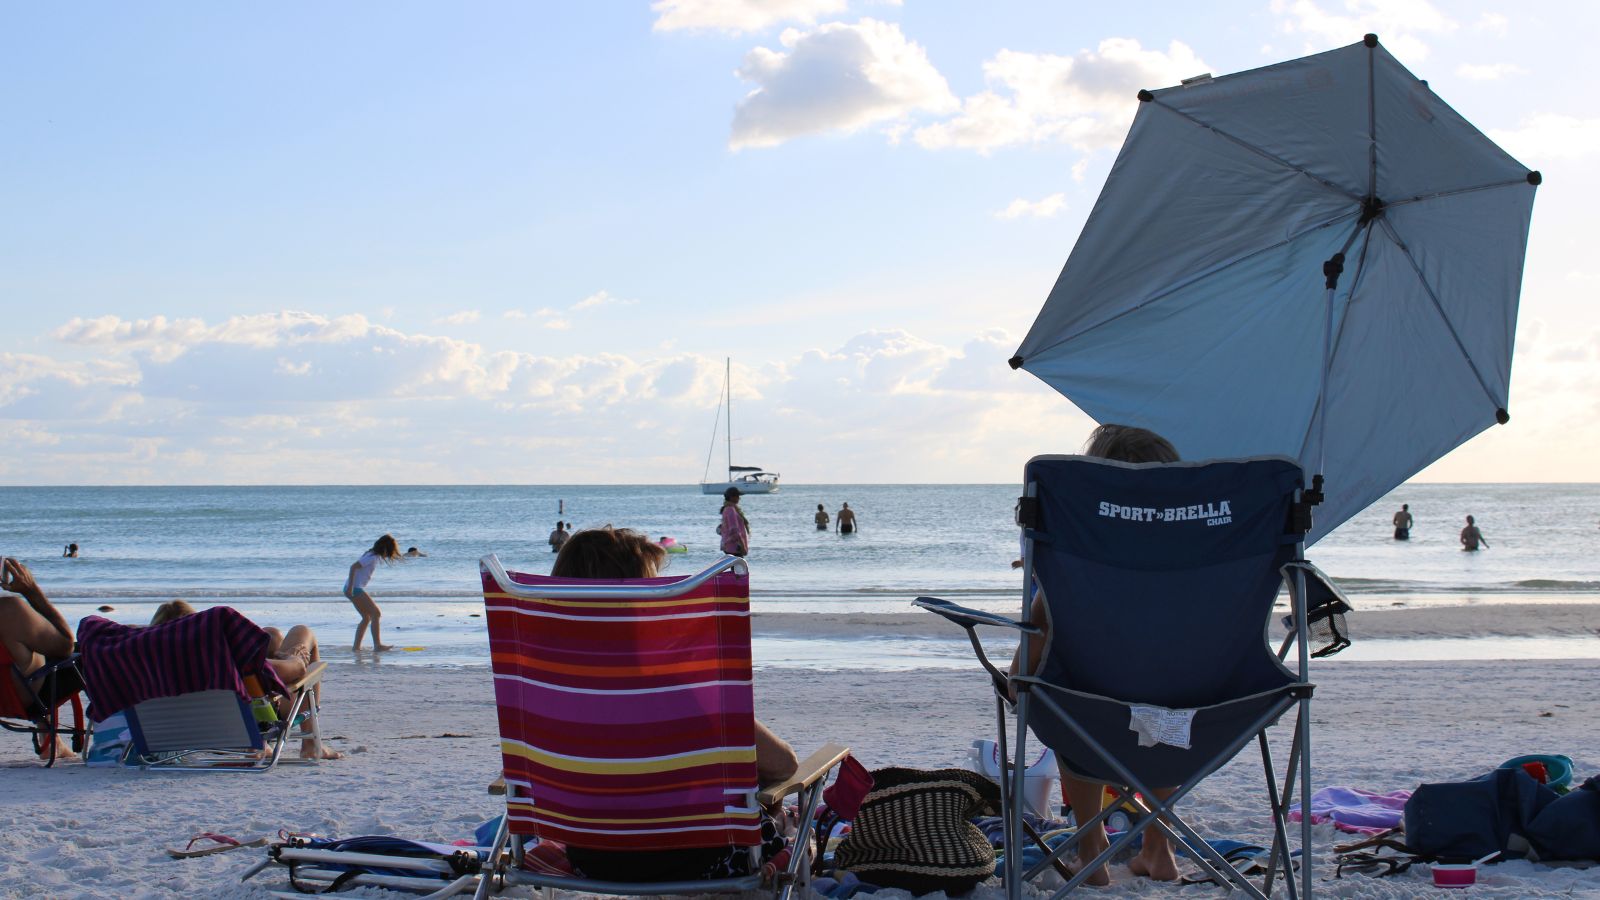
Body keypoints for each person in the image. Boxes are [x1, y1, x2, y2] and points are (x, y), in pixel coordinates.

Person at [551, 527, 796, 882]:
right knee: (774, 804)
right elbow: (784, 765)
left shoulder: (548, 684)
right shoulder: (681, 684)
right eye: (655, 586)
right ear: (643, 599)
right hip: (701, 861)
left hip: (591, 860)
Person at [1009, 423, 1183, 885]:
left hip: (1089, 716)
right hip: (1195, 719)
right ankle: (1158, 847)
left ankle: (1091, 849)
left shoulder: (1075, 551)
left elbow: (1043, 627)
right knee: (1170, 711)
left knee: (1061, 699)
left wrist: (1016, 674)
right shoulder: (1197, 558)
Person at [148, 600, 343, 759]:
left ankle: (270, 744)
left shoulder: (150, 669)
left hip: (200, 730)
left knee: (271, 635)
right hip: (252, 724)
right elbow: (298, 669)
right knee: (303, 633)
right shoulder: (226, 661)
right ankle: (310, 744)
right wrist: (292, 657)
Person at [0, 559, 78, 760]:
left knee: (33, 645)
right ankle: (112, 740)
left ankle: (50, 739)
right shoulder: (9, 612)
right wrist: (31, 590)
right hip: (21, 699)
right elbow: (65, 646)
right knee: (86, 652)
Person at [345, 534, 403, 652]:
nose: (389, 555)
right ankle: (377, 645)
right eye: (390, 551)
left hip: (352, 588)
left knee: (366, 617)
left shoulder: (371, 555)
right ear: (385, 548)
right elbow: (353, 567)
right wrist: (351, 587)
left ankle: (356, 648)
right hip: (354, 588)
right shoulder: (372, 556)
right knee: (376, 613)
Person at [719, 488, 750, 557]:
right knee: (739, 566)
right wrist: (743, 546)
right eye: (737, 496)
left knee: (734, 566)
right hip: (734, 546)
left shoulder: (726, 509)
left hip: (728, 545)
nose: (739, 498)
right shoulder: (731, 510)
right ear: (731, 497)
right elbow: (734, 530)